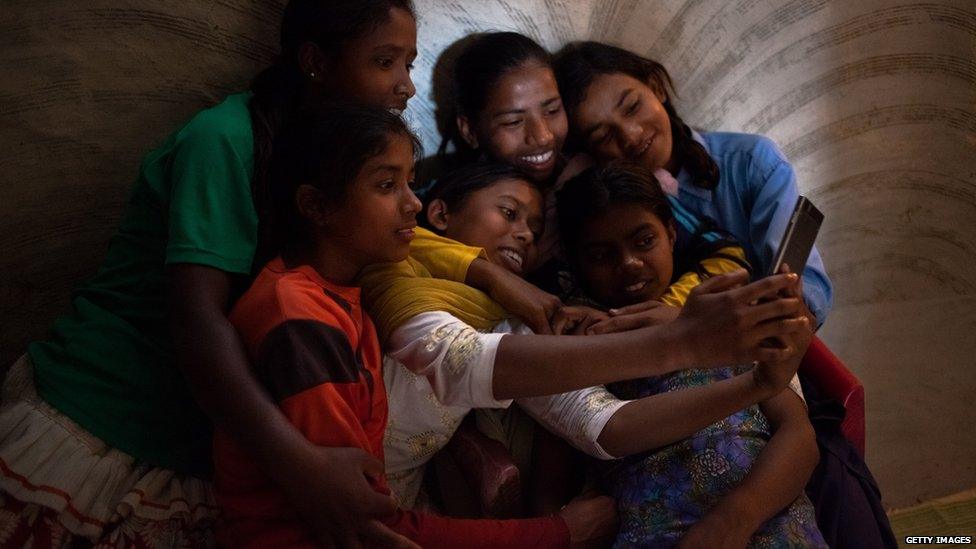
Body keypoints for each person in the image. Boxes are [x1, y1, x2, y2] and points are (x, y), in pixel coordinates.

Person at [0, 2, 436, 546]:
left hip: (210, 433)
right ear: (315, 61)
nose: (405, 87)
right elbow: (196, 319)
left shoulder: (334, 162)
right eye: (384, 62)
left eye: (409, 65)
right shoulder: (225, 139)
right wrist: (299, 465)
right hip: (111, 408)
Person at [215, 103, 621, 549]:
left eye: (410, 183)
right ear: (316, 205)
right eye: (388, 185)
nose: (414, 204)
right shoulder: (301, 316)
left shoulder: (345, 294)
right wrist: (559, 533)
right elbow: (370, 525)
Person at [554, 40, 897, 548]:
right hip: (667, 427)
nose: (630, 136)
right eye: (603, 135)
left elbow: (807, 294)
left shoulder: (749, 162)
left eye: (632, 106)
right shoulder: (601, 206)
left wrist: (702, 324)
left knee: (839, 491)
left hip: (768, 365)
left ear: (655, 85)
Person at [359, 161, 812, 511]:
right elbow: (457, 361)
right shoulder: (394, 270)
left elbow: (604, 425)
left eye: (535, 231)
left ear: (672, 235)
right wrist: (684, 340)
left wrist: (753, 384)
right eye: (509, 213)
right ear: (438, 212)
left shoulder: (518, 324)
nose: (522, 235)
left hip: (391, 508)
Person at [558, 162, 825, 547]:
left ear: (671, 233)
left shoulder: (730, 314)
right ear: (576, 262)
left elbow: (799, 435)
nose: (629, 263)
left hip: (767, 516)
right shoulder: (572, 341)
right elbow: (556, 479)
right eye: (602, 256)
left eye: (644, 241)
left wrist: (731, 522)